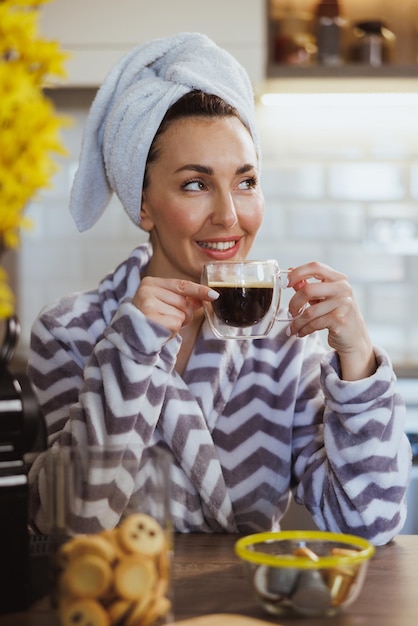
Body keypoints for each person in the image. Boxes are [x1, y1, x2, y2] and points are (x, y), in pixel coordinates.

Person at [27, 32, 411, 545]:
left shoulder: (282, 344)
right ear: (142, 205)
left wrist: (358, 362)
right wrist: (132, 352)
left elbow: (368, 523)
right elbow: (67, 522)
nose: (230, 216)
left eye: (246, 182)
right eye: (195, 184)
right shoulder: (71, 332)